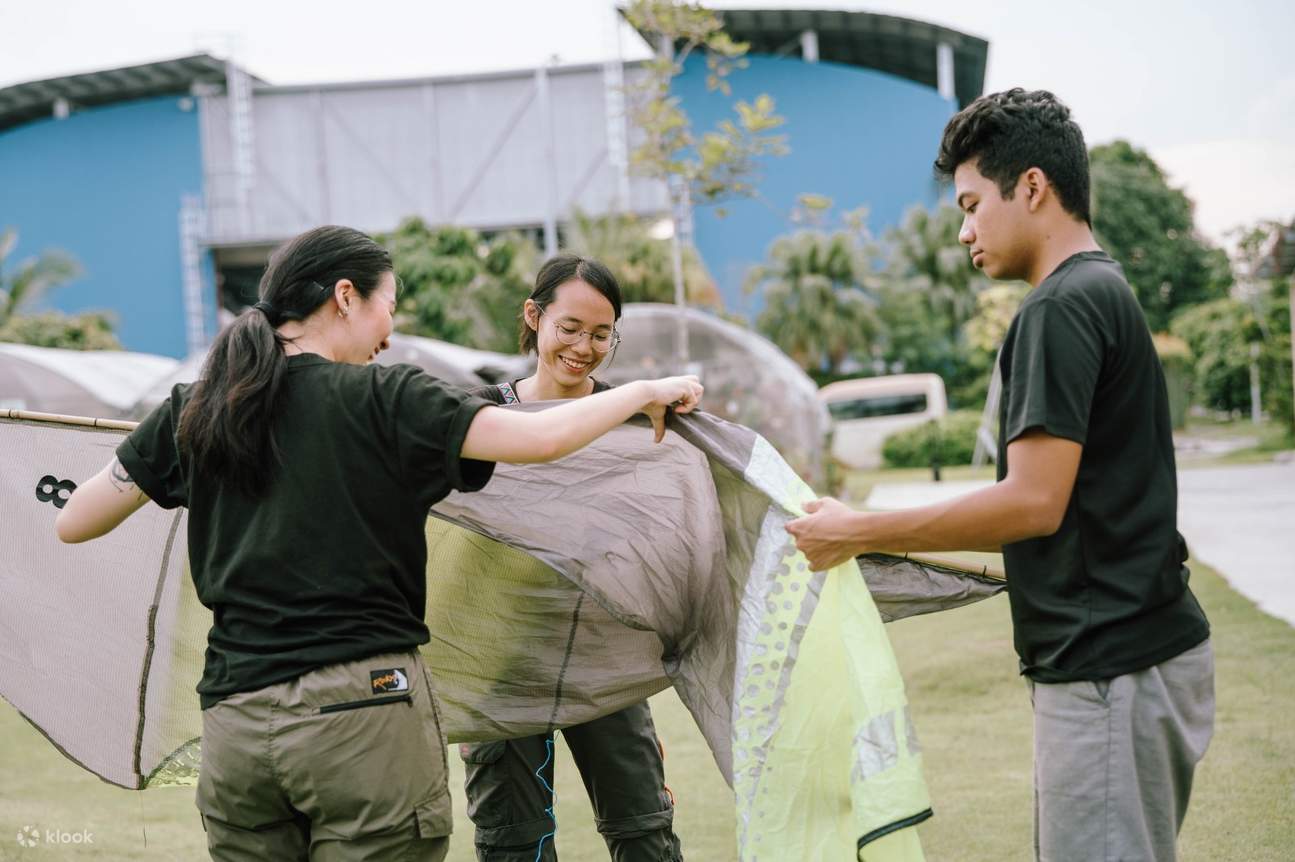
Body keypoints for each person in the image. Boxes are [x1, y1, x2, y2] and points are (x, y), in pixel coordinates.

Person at [54, 226, 702, 862]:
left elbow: (76, 518)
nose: (389, 334)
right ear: (345, 297)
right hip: (365, 713)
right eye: (386, 308)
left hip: (236, 724)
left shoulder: (197, 409)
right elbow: (537, 440)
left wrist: (167, 446)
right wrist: (643, 393)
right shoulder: (388, 398)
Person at [785, 90, 1213, 861]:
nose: (963, 229)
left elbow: (1033, 503)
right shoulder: (1100, 288)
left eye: (972, 203)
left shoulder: (1060, 307)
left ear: (1033, 187)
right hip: (1129, 658)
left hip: (1109, 669)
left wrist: (856, 531)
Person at [458, 253, 684, 862]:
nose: (584, 346)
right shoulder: (477, 415)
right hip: (501, 659)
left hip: (603, 651)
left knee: (644, 830)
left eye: (602, 333)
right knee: (512, 842)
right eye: (570, 328)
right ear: (534, 317)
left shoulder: (640, 421)